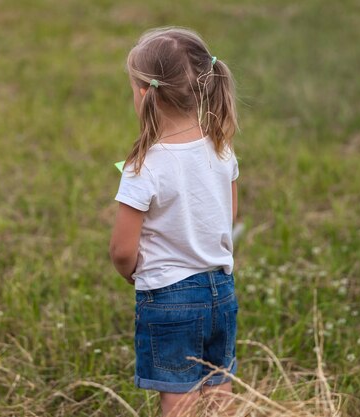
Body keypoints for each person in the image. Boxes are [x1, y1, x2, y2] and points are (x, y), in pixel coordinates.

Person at [109, 27, 239, 417]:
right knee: (220, 386)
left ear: (145, 94)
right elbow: (227, 215)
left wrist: (132, 273)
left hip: (169, 297)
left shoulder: (143, 166)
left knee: (178, 399)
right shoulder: (221, 147)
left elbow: (121, 249)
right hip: (221, 289)